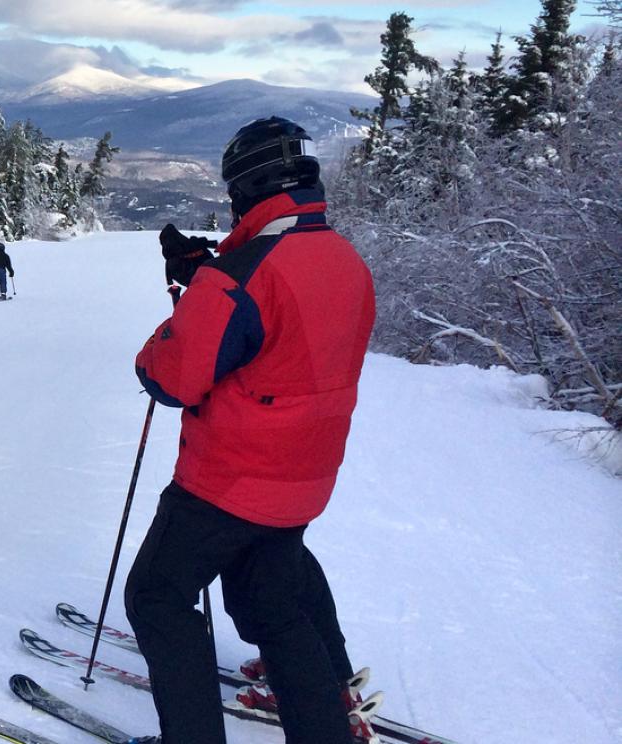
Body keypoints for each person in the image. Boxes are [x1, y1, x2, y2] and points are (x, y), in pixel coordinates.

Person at [123, 117, 378, 744]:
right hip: (305, 479)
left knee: (157, 597)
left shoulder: (240, 276)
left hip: (227, 481)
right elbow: (278, 338)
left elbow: (175, 379)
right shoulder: (345, 260)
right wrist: (208, 278)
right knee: (273, 605)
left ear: (248, 187)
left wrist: (196, 297)